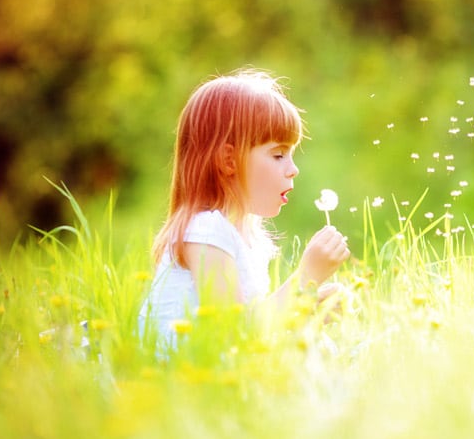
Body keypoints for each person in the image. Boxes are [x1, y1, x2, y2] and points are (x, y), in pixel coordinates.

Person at [139, 69, 350, 348]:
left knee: (318, 350)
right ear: (229, 160)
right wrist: (306, 278)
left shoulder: (245, 237)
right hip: (180, 380)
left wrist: (305, 312)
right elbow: (233, 333)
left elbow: (254, 329)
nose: (293, 169)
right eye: (278, 155)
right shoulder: (206, 232)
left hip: (215, 375)